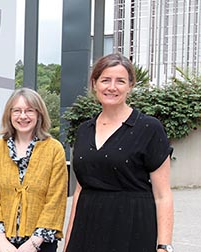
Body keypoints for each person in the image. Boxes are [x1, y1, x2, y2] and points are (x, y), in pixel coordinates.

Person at [64, 53, 174, 252]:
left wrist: (164, 246)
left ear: (130, 85)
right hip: (86, 228)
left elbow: (163, 195)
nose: (112, 87)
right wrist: (69, 241)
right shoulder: (84, 130)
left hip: (132, 229)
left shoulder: (149, 128)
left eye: (120, 81)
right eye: (105, 80)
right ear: (95, 84)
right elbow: (80, 190)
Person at [0, 88, 68, 252]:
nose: (23, 116)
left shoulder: (54, 150)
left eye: (29, 111)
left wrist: (33, 244)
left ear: (39, 114)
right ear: (9, 114)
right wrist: (1, 241)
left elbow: (55, 201)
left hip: (41, 243)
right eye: (17, 111)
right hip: (2, 243)